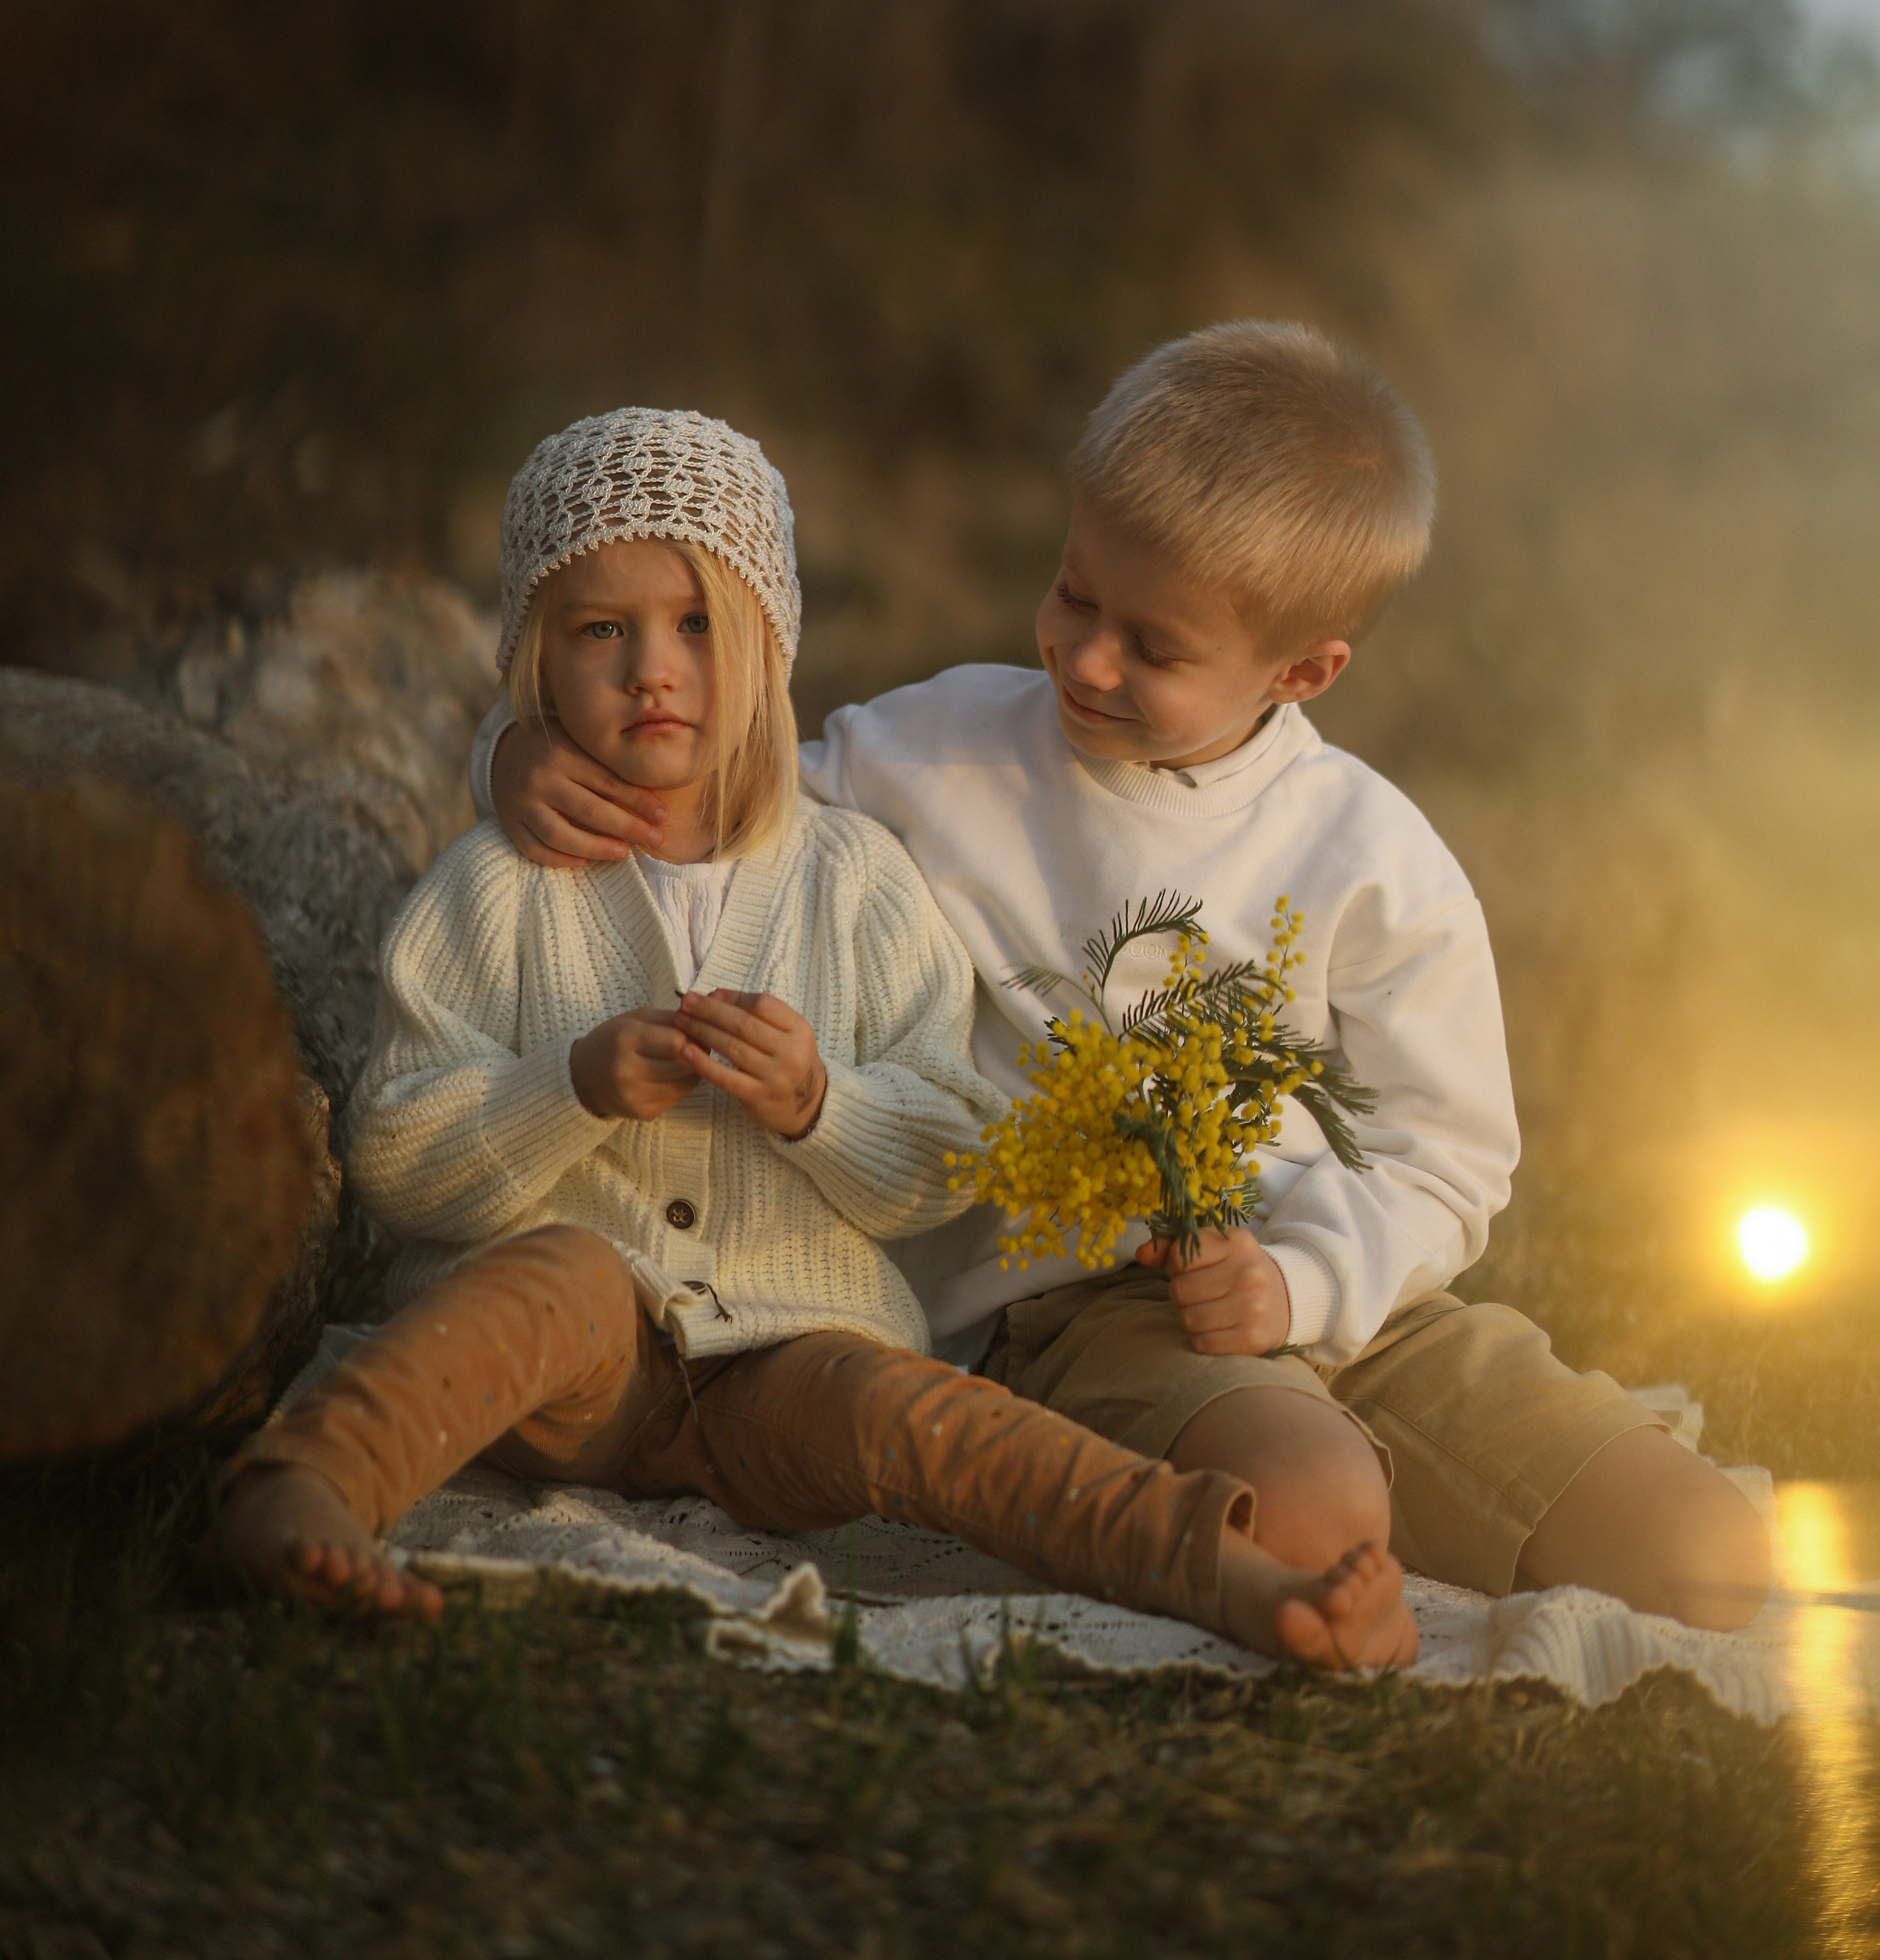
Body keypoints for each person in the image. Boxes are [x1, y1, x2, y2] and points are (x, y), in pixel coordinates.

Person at [474, 330, 1775, 1634]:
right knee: (1315, 1515)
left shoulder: (1375, 856)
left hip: (1370, 1307)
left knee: (1709, 1558)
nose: (1087, 659)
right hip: (1092, 1307)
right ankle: (1318, 1489)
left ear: (1303, 670)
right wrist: (513, 753)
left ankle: (1361, 1453)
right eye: (1074, 593)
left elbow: (1447, 1157)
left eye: (1152, 646)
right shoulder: (940, 750)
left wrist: (1305, 1286)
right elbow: (711, 799)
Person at [210, 406, 1417, 1669]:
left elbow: (951, 1157)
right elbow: (397, 1154)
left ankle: (1227, 1573)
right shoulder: (496, 885)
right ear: (536, 661)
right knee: (554, 1275)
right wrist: (567, 1086)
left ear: (771, 647)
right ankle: (301, 1491)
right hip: (575, 1368)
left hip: (791, 1357)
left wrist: (818, 1105)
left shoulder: (860, 881)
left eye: (698, 625)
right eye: (600, 629)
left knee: (929, 1421)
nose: (653, 669)